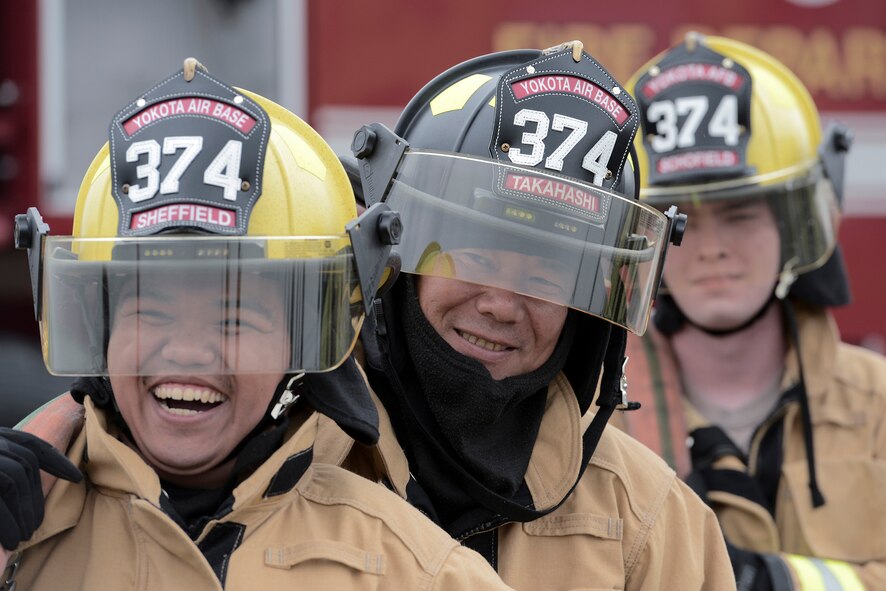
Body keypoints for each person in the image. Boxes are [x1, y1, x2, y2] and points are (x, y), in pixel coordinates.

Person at [0, 59, 516, 590]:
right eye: (151, 311)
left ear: (302, 345)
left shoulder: (421, 574)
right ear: (99, 329)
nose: (186, 351)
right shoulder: (18, 542)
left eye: (234, 319)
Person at [317, 41, 736, 589]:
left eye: (546, 276)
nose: (501, 303)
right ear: (397, 260)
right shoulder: (296, 462)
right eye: (475, 256)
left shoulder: (650, 520)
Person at [613, 33, 886, 590]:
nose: (712, 247)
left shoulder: (879, 405)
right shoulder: (597, 415)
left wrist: (769, 581)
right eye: (681, 223)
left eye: (740, 215)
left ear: (792, 228)